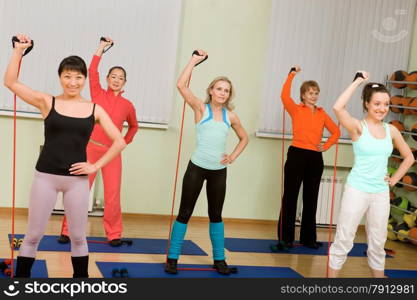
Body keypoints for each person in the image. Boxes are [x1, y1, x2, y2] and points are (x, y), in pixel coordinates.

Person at [4, 35, 126, 278]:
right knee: (33, 236)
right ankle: (20, 283)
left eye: (78, 77)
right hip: (45, 178)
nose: (73, 82)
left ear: (84, 79)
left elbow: (119, 141)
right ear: (60, 77)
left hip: (76, 182)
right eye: (67, 76)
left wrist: (95, 165)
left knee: (79, 237)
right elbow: (10, 81)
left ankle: (80, 282)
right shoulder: (46, 101)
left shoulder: (94, 109)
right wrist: (18, 51)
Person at [165, 50, 249, 275]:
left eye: (226, 90)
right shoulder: (200, 108)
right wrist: (194, 59)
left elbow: (244, 138)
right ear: (211, 91)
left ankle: (219, 260)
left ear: (229, 95)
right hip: (196, 168)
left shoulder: (231, 116)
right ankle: (172, 258)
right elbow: (181, 85)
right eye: (219, 88)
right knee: (185, 212)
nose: (222, 92)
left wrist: (232, 156)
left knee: (216, 215)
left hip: (218, 172)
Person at [329, 71, 413, 277]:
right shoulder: (358, 127)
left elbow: (409, 157)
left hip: (380, 193)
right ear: (367, 103)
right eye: (377, 103)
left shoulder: (391, 130)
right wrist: (357, 81)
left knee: (378, 241)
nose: (382, 108)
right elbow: (337, 107)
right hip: (357, 189)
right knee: (345, 238)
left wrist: (393, 180)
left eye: (385, 104)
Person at [58, 37, 138, 247]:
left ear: (125, 83)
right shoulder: (97, 93)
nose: (116, 80)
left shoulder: (128, 105)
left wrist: (125, 142)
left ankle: (114, 234)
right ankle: (67, 230)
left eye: (120, 77)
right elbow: (92, 71)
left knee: (112, 196)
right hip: (90, 149)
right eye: (113, 76)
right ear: (107, 79)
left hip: (112, 154)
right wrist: (101, 48)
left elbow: (134, 126)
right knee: (79, 192)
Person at [272, 66, 341, 251]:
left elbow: (336, 132)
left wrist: (325, 146)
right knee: (290, 197)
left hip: (315, 158)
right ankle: (286, 239)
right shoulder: (296, 109)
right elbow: (284, 96)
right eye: (310, 93)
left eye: (316, 93)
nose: (314, 96)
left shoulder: (322, 113)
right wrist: (291, 74)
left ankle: (308, 239)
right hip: (297, 155)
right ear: (303, 95)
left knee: (311, 198)